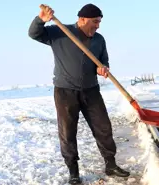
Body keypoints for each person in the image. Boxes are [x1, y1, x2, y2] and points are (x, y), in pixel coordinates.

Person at [28, 3, 130, 184]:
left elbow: (103, 60)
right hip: (65, 92)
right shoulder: (60, 32)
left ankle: (111, 165)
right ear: (82, 19)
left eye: (99, 22)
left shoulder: (99, 39)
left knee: (103, 127)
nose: (97, 25)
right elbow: (34, 34)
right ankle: (73, 172)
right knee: (68, 133)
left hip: (91, 91)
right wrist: (40, 20)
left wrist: (103, 68)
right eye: (94, 21)